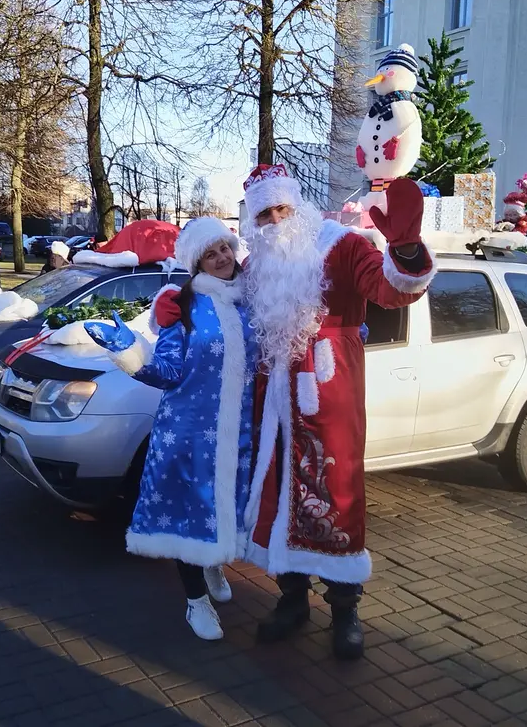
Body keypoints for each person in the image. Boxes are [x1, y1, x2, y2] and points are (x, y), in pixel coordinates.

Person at [156, 165, 435, 659]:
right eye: (263, 213)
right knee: (279, 493)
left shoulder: (342, 244)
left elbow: (391, 289)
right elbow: (213, 294)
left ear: (298, 205)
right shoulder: (257, 264)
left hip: (330, 395)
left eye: (281, 208)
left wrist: (407, 249)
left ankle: (346, 609)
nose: (274, 220)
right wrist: (173, 300)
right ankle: (292, 599)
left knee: (337, 493)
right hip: (274, 401)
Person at [85, 218, 258, 641]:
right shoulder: (180, 303)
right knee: (188, 516)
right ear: (195, 262)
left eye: (224, 249)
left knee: (226, 509)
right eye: (209, 254)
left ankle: (213, 562)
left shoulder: (249, 300)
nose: (220, 259)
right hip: (189, 435)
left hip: (237, 433)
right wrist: (128, 350)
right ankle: (195, 601)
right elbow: (166, 372)